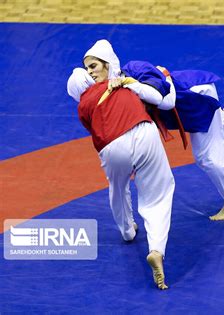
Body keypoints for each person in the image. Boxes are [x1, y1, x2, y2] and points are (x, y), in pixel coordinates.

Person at [83, 39, 224, 221]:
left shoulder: (134, 69)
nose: (90, 72)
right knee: (221, 135)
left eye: (94, 66)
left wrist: (131, 84)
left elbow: (161, 95)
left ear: (108, 63)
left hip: (193, 97)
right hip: (190, 101)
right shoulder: (112, 89)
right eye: (87, 69)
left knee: (207, 156)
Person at [67, 68, 173, 290]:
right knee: (158, 194)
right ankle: (156, 250)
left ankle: (127, 231)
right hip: (144, 131)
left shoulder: (82, 106)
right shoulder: (120, 82)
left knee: (118, 187)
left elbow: (95, 128)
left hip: (112, 147)